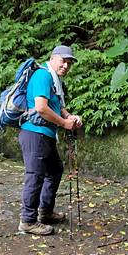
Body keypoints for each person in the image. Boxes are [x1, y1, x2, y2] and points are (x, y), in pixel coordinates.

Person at [17, 45, 83, 236]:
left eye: (69, 63)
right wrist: (63, 123)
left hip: (44, 134)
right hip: (34, 133)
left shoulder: (54, 81)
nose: (66, 66)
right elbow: (41, 108)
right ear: (53, 58)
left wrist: (70, 117)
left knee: (54, 170)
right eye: (63, 61)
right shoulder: (43, 75)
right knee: (35, 175)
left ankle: (45, 212)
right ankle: (27, 221)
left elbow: (57, 107)